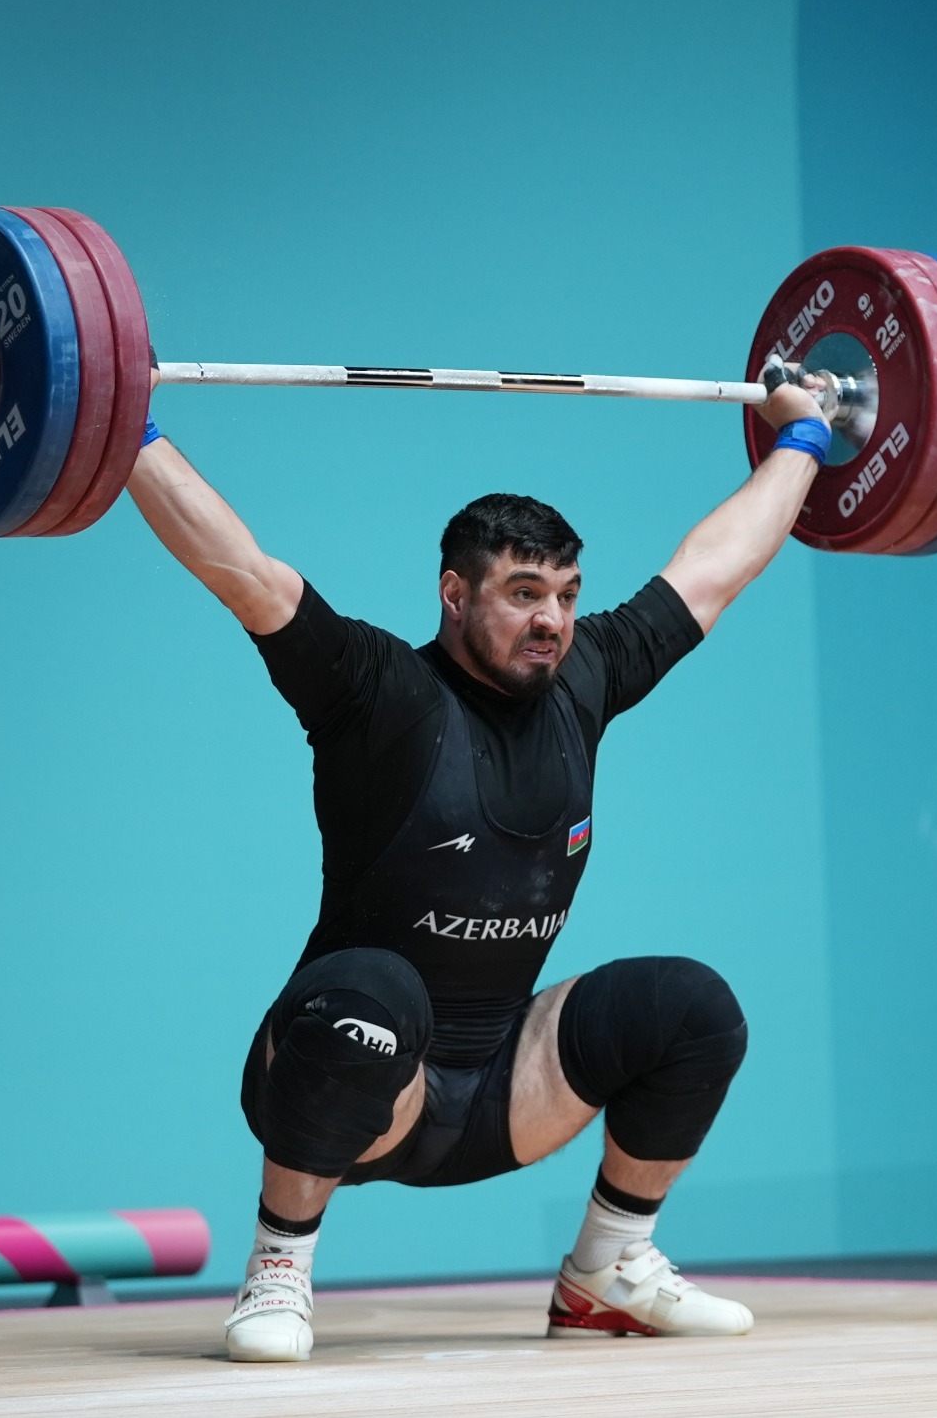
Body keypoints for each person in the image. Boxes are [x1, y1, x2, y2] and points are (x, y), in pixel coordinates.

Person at [125, 372, 832, 1363]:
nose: (552, 618)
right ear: (454, 593)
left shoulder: (586, 675)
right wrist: (122, 423)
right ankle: (279, 1265)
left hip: (499, 1094)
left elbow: (713, 569)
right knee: (378, 987)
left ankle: (605, 1269)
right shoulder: (375, 690)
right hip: (342, 1071)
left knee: (692, 1006)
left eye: (566, 595)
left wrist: (803, 436)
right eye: (523, 592)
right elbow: (240, 569)